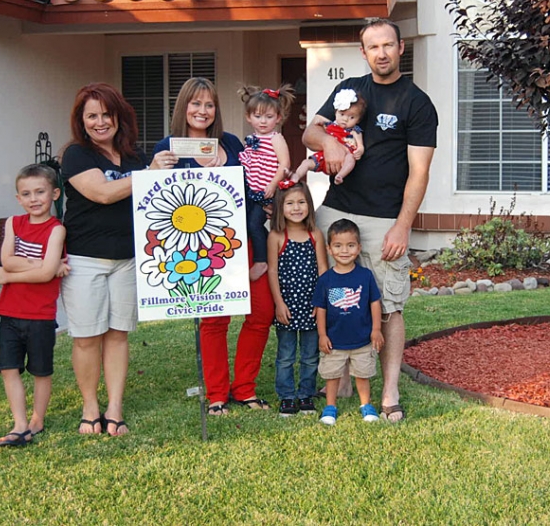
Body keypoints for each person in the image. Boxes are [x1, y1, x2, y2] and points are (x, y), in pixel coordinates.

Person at [303, 18, 438, 423]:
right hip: (336, 211)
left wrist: (402, 224)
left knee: (390, 306)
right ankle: (342, 379)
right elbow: (312, 131)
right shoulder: (350, 92)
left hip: (384, 220)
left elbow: (420, 172)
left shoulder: (417, 103)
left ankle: (389, 387)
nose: (381, 53)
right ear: (363, 53)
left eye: (388, 45)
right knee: (333, 297)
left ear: (400, 48)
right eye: (372, 47)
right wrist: (328, 140)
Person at [153, 77, 275, 415]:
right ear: (183, 107)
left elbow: (257, 182)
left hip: (243, 242)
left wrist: (265, 202)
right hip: (202, 251)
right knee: (215, 321)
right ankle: (217, 393)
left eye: (209, 105)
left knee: (261, 313)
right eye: (196, 104)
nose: (202, 111)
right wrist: (154, 169)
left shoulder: (232, 143)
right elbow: (156, 203)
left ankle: (245, 388)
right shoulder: (167, 147)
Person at [60, 82, 163, 436]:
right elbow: (101, 193)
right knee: (87, 336)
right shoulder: (76, 155)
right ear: (81, 121)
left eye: (106, 114)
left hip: (128, 259)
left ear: (119, 117)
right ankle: (90, 407)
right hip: (85, 259)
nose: (100, 122)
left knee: (119, 334)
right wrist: (148, 175)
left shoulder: (134, 158)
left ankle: (115, 406)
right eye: (92, 116)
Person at [0, 164, 68, 447]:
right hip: (9, 313)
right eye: (26, 193)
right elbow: (7, 259)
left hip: (40, 315)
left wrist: (10, 276)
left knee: (40, 370)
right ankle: (20, 424)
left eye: (40, 192)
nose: (34, 199)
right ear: (18, 198)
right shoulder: (13, 223)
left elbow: (44, 276)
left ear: (55, 194)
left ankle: (37, 419)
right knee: (9, 368)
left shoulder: (56, 229)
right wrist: (44, 264)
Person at [312, 219, 384, 425]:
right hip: (334, 341)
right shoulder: (325, 280)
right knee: (332, 374)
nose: (345, 250)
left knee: (363, 373)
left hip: (362, 339)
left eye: (350, 245)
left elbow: (375, 303)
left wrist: (376, 329)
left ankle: (366, 405)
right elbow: (322, 309)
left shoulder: (365, 276)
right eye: (338, 245)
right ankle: (330, 406)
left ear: (359, 248)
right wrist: (323, 334)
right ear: (329, 249)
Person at [267, 180, 327, 417]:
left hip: (312, 306)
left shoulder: (315, 234)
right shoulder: (277, 236)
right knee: (285, 355)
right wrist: (279, 303)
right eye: (290, 203)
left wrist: (320, 302)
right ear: (281, 207)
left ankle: (305, 395)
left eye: (301, 202)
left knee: (310, 356)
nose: (296, 208)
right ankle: (287, 397)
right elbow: (272, 271)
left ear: (309, 205)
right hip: (287, 307)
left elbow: (323, 269)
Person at [237, 84, 295, 280]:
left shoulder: (275, 138)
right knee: (247, 223)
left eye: (269, 117)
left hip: (268, 191)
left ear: (278, 118)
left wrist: (272, 185)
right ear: (248, 117)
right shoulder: (251, 139)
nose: (263, 121)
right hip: (252, 191)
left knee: (255, 223)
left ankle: (262, 261)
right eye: (258, 116)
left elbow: (285, 164)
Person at [292, 89, 365, 185]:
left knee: (350, 159)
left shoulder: (354, 131)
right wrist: (321, 123)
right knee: (306, 162)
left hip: (344, 158)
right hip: (325, 157)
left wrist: (360, 150)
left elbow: (360, 145)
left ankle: (340, 175)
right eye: (342, 114)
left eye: (351, 117)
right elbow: (315, 129)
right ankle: (296, 176)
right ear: (335, 113)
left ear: (358, 119)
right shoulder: (331, 125)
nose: (345, 119)